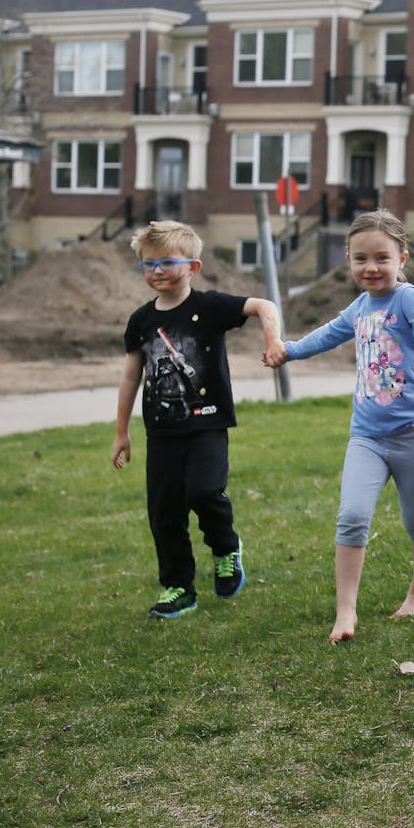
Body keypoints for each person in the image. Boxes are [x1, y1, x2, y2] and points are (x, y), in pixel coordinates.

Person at [264, 211, 414, 643]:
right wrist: (288, 351)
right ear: (348, 260)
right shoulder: (360, 306)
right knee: (351, 517)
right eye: (360, 259)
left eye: (382, 258)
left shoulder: (408, 299)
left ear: (401, 257)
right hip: (366, 437)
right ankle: (345, 612)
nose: (371, 268)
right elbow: (328, 334)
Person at [111, 220, 281, 618]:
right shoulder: (140, 320)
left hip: (207, 425)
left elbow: (263, 305)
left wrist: (272, 338)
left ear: (193, 267)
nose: (156, 271)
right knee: (165, 511)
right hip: (162, 433)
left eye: (167, 262)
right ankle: (177, 588)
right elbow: (130, 375)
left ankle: (225, 547)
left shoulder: (209, 307)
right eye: (148, 264)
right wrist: (122, 431)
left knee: (204, 492)